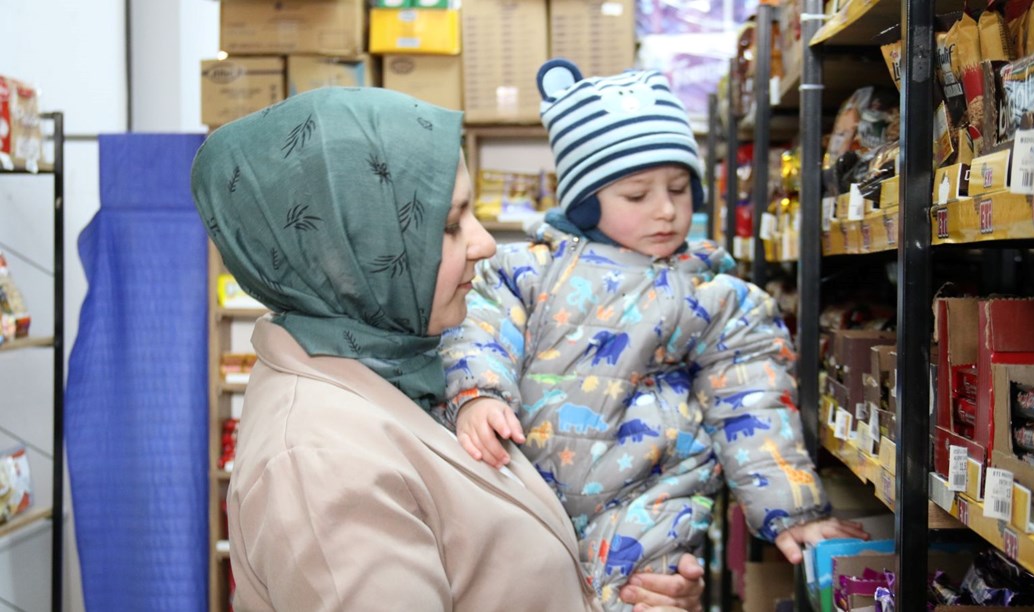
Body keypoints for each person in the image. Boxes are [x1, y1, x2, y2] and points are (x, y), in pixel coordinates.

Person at [190, 86, 706, 611]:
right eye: (450, 225)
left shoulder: (408, 358)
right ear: (352, 249)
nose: (486, 244)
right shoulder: (322, 467)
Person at [437, 60, 868, 609]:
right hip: (524, 486)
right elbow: (478, 329)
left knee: (642, 597)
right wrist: (477, 395)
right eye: (637, 195)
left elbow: (752, 399)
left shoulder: (712, 295)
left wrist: (793, 509)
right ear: (585, 202)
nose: (665, 210)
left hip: (649, 502)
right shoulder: (526, 270)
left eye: (680, 189)